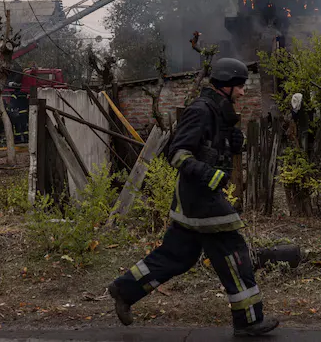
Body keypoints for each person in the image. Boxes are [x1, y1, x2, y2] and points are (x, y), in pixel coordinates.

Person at [107, 58, 278, 337]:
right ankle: (248, 320)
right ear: (226, 86)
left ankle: (124, 290)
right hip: (202, 202)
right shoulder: (200, 111)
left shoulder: (217, 111)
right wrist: (210, 176)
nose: (244, 92)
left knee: (179, 256)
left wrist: (234, 145)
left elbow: (209, 148)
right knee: (234, 254)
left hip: (195, 201)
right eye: (240, 86)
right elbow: (177, 153)